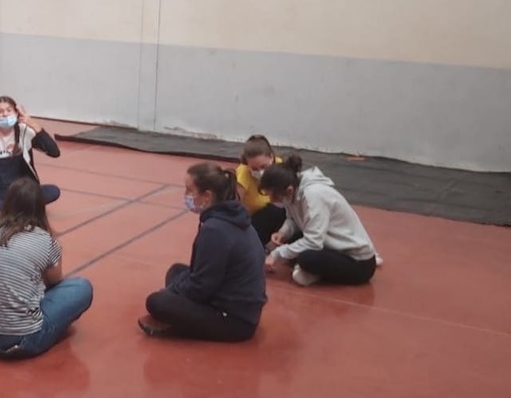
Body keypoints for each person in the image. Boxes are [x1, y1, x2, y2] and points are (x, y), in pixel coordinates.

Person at [0, 178, 92, 359]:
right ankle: (15, 320)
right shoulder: (46, 240)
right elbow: (55, 281)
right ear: (40, 208)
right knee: (81, 287)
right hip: (17, 338)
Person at [138, 162, 267, 341]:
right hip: (239, 305)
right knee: (176, 270)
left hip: (235, 320)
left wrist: (170, 293)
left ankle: (182, 322)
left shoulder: (215, 229)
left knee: (156, 302)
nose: (186, 196)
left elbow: (201, 287)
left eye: (189, 190)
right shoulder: (233, 216)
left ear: (207, 195)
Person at [260, 153, 380, 286]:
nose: (272, 200)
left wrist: (276, 254)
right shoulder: (292, 187)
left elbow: (313, 242)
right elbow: (293, 218)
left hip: (358, 262)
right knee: (293, 241)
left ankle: (312, 272)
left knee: (306, 258)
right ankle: (313, 269)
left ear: (289, 191)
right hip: (330, 245)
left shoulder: (314, 196)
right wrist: (283, 233)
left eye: (275, 197)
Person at [236, 135, 286, 246]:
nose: (260, 172)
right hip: (254, 220)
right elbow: (235, 203)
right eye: (254, 169)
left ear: (271, 158)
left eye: (264, 166)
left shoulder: (279, 165)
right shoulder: (244, 172)